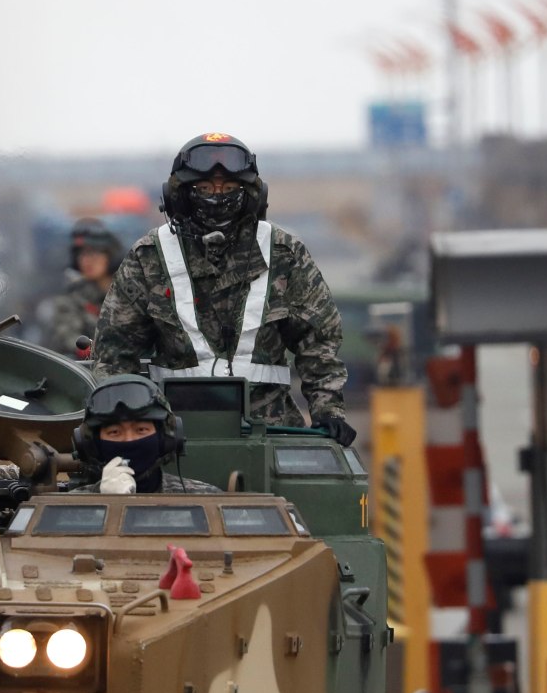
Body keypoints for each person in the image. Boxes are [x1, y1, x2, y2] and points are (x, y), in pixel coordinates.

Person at [90, 132, 351, 441]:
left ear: (252, 195)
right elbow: (114, 353)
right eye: (204, 188)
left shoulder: (284, 253)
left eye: (229, 188)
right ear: (180, 195)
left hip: (270, 431)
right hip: (174, 435)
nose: (217, 195)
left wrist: (328, 411)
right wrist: (127, 427)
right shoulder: (149, 257)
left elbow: (319, 341)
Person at [66, 375, 217, 494]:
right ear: (93, 444)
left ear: (166, 437)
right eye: (114, 432)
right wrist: (107, 504)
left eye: (141, 430)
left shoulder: (203, 498)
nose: (129, 439)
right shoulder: (70, 508)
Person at [43, 217, 122, 357]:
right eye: (81, 254)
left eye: (93, 252)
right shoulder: (73, 297)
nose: (86, 260)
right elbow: (68, 335)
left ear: (110, 255)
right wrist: (95, 349)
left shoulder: (128, 291)